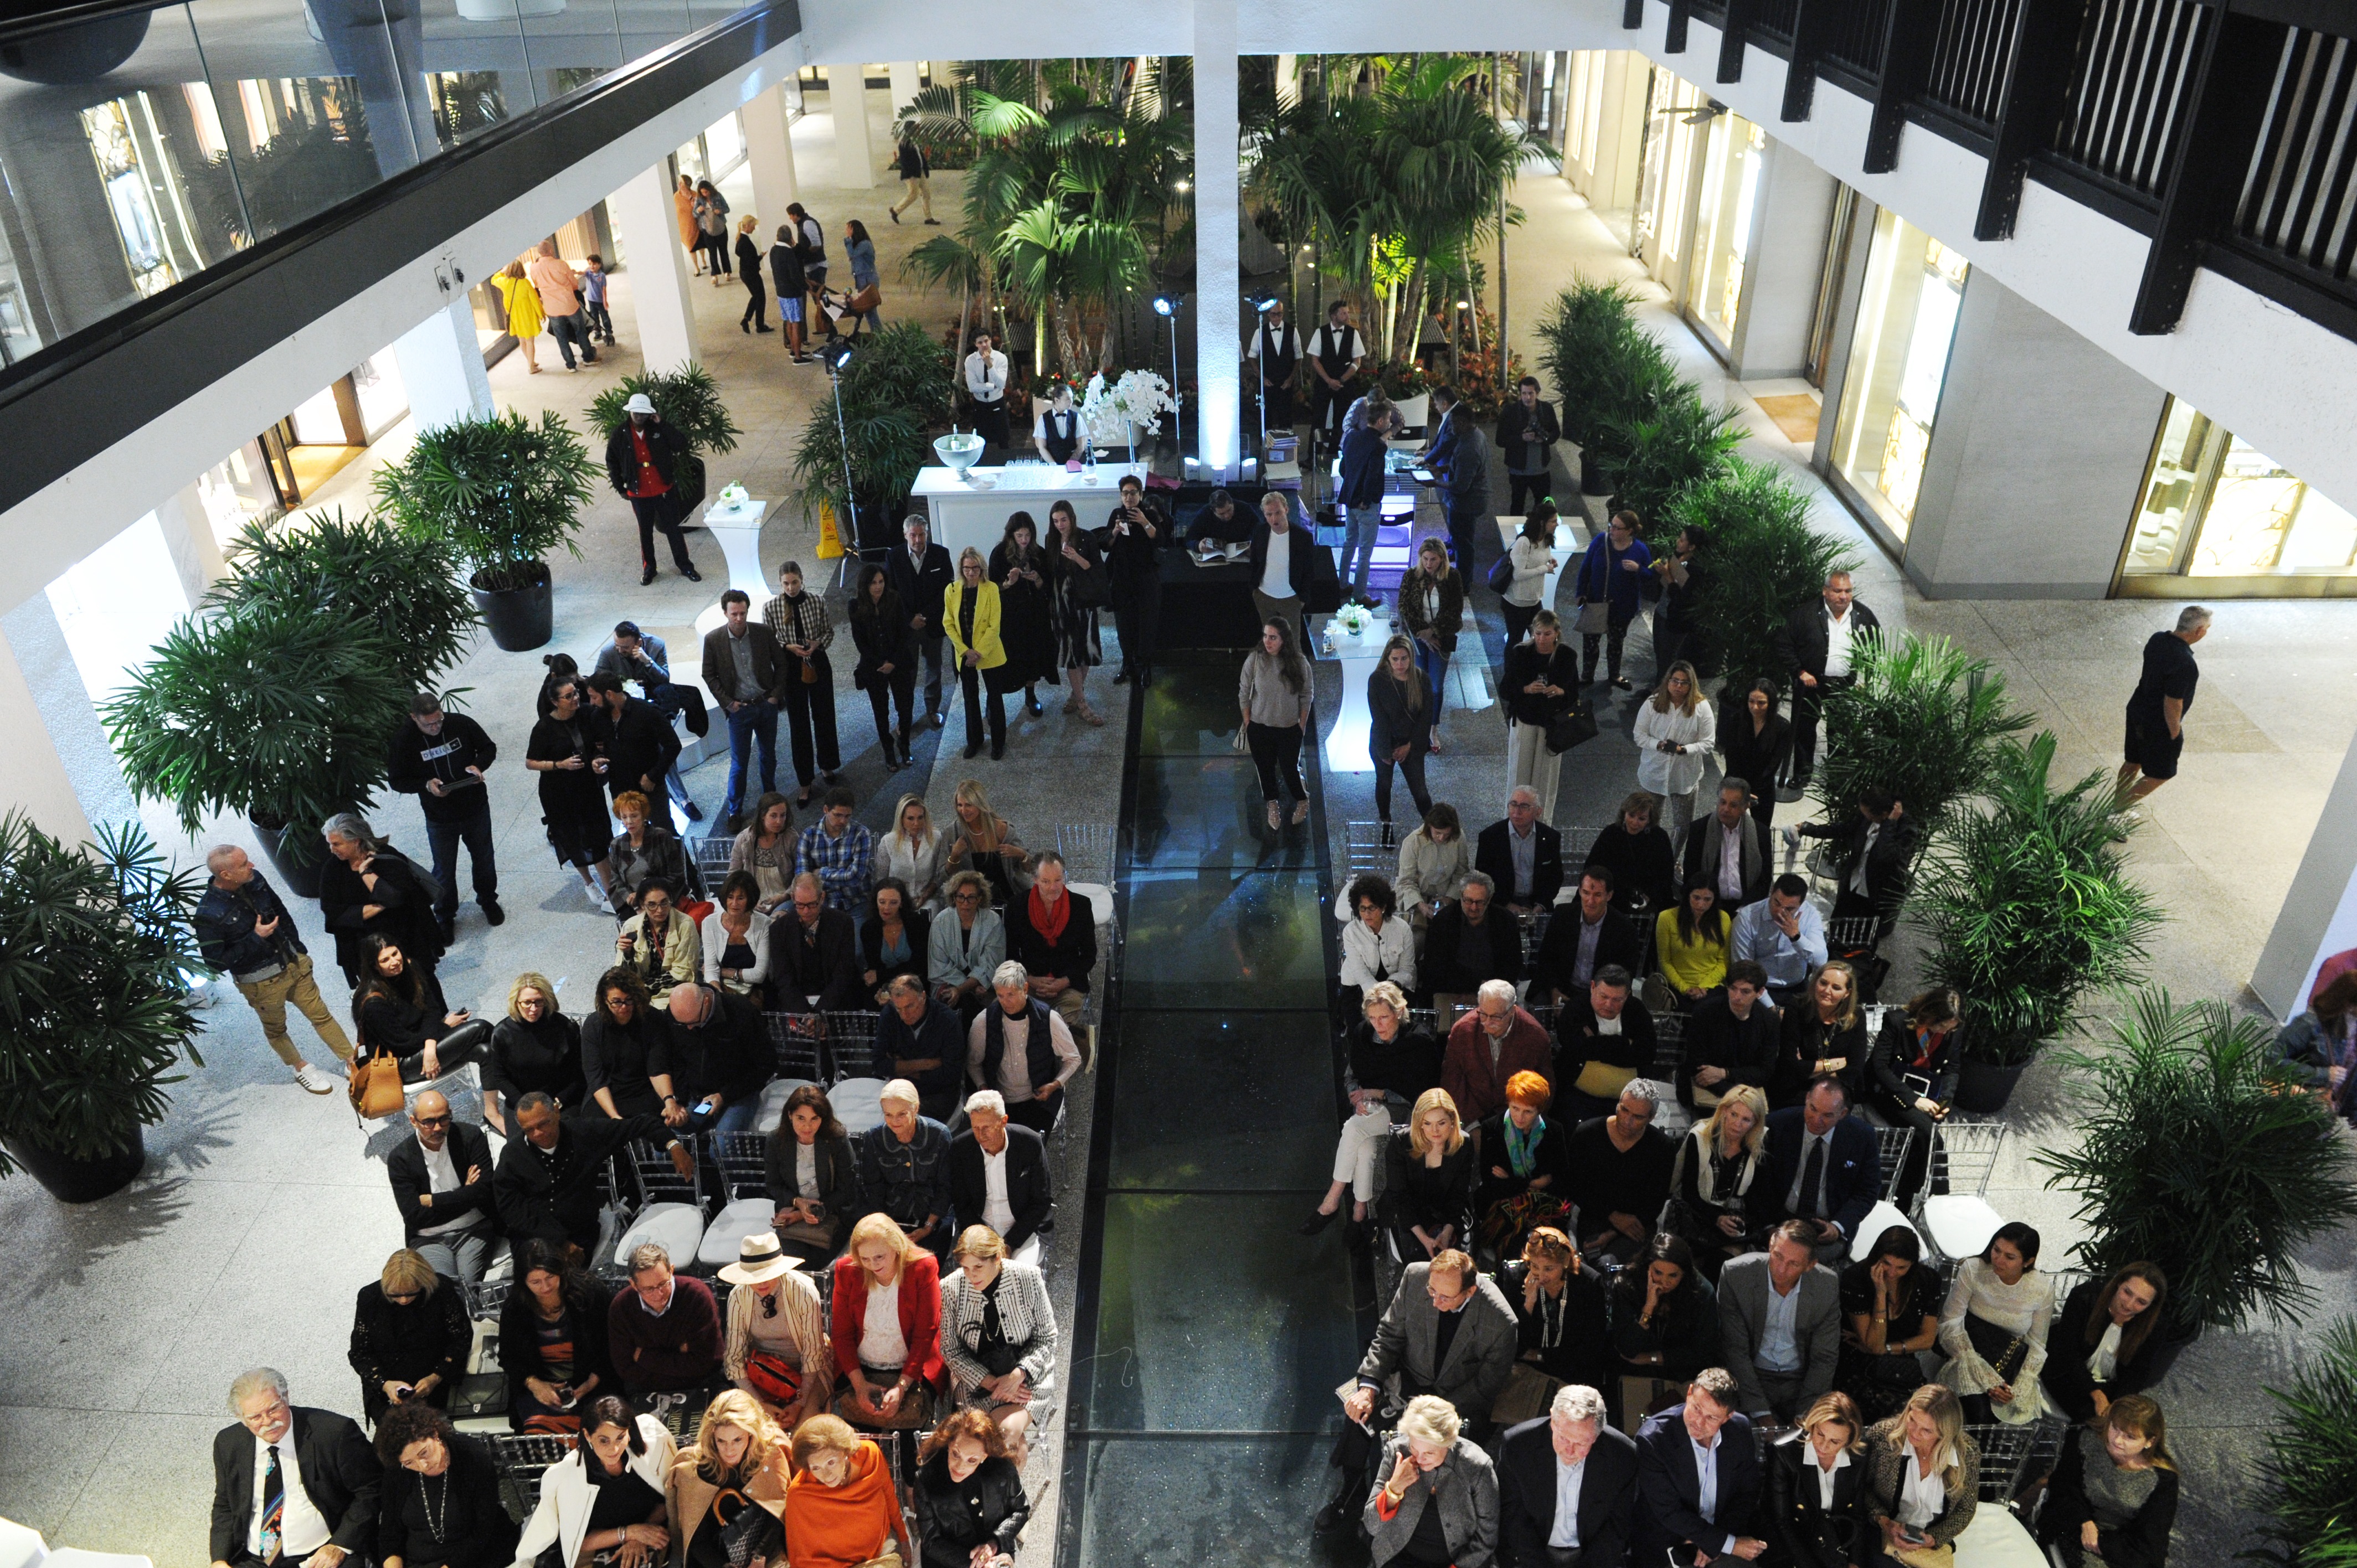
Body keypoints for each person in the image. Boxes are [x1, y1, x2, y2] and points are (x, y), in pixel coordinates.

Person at [1320, 1251, 1515, 1531]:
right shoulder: (1415, 1276)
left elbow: (1485, 1387)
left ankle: (1404, 1517)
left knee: (1429, 1447)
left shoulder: (1501, 1323)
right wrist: (1368, 1387)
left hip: (1456, 1398)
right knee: (1361, 1416)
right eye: (1432, 1291)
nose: (1435, 1302)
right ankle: (1352, 1490)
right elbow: (1389, 1335)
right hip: (1411, 1377)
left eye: (1445, 1297)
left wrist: (1432, 1411)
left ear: (1470, 1291)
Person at [195, 844, 352, 1094]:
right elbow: (215, 963)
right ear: (225, 875)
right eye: (244, 864)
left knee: (321, 1014)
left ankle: (351, 1061)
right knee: (276, 1029)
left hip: (292, 964)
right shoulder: (209, 914)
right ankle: (300, 1067)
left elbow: (280, 911)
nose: (252, 866)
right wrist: (255, 938)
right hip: (261, 984)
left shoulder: (255, 880)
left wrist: (298, 950)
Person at [208, 1368, 381, 1568]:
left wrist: (340, 1546)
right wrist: (219, 1560)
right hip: (253, 1559)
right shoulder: (228, 1443)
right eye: (255, 1417)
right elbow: (225, 1504)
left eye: (273, 1409)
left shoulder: (334, 1432)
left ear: (286, 1397)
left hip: (322, 1554)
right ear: (242, 1419)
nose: (268, 1422)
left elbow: (371, 1490)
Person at [1306, 982, 1440, 1236]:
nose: (1379, 1024)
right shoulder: (1363, 1034)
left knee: (1354, 1129)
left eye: (1385, 1017)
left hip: (1407, 1110)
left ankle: (1331, 1200)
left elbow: (1424, 1091)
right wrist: (1357, 1098)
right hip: (1369, 1109)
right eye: (1373, 1018)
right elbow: (1351, 1076)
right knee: (1365, 1151)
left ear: (1399, 1012)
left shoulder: (1418, 1041)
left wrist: (1379, 1094)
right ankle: (1359, 1215)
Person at [492, 1091, 689, 1252]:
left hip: (579, 1230)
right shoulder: (512, 1154)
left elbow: (642, 1124)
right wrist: (559, 1241)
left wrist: (673, 1145)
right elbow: (510, 1206)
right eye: (529, 1130)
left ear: (556, 1112)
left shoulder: (583, 1132)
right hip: (533, 1234)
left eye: (544, 1124)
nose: (538, 1134)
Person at [510, 1396, 676, 1568]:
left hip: (653, 1533)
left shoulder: (650, 1451)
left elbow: (667, 1500)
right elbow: (574, 1541)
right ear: (588, 1435)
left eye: (620, 1437)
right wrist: (629, 1533)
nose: (614, 1449)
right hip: (597, 1547)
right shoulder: (568, 1478)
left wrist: (643, 1535)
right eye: (604, 1440)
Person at [940, 1225, 1058, 1464]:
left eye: (978, 1267)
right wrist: (991, 1382)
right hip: (977, 1383)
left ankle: (990, 1499)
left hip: (1028, 1379)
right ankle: (1005, 1500)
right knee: (1004, 1443)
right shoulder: (951, 1288)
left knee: (1002, 1434)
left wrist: (1017, 1376)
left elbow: (1048, 1337)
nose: (971, 1276)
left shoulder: (1028, 1278)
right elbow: (950, 1350)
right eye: (965, 1268)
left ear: (997, 1258)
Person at [386, 692, 500, 940]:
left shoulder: (461, 723)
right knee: (444, 869)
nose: (436, 727)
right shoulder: (404, 741)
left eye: (439, 720)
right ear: (414, 718)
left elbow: (489, 748)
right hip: (440, 817)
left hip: (475, 807)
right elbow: (397, 780)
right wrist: (426, 785)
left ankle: (488, 900)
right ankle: (445, 915)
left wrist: (478, 765)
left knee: (484, 858)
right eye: (429, 724)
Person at [1495, 1383, 1639, 1567]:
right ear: (1553, 1422)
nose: (1569, 1451)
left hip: (1593, 1557)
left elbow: (1617, 1526)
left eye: (1581, 1443)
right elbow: (1513, 1517)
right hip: (1531, 1554)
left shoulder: (1622, 1455)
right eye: (1563, 1438)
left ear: (1597, 1435)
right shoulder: (1518, 1444)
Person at [830, 1211, 946, 1435]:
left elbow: (925, 1335)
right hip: (861, 1368)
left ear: (897, 1247)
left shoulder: (923, 1268)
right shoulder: (848, 1270)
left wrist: (901, 1389)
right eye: (865, 1259)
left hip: (913, 1367)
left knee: (907, 1446)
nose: (872, 1265)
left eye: (879, 1257)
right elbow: (842, 1334)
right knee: (861, 1447)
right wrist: (860, 1386)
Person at [1632, 1369, 1766, 1564]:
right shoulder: (1654, 1440)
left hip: (1724, 1532)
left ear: (1728, 1417)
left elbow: (1747, 1492)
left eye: (1712, 1418)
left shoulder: (1739, 1429)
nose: (1699, 1422)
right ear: (1689, 1392)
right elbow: (1669, 1513)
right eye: (1696, 1408)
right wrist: (1725, 1544)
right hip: (1671, 1541)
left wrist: (1715, 1543)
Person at [1717, 1221, 1842, 1425]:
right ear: (1770, 1247)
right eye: (1778, 1256)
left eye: (1793, 1264)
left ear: (1810, 1265)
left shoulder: (1826, 1286)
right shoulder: (1737, 1275)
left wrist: (1805, 1415)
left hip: (1800, 1382)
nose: (1781, 1269)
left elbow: (1824, 1358)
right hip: (1749, 1377)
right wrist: (1761, 1413)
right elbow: (1735, 1351)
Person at [2037, 1394, 2179, 1568]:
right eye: (2115, 1428)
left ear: (2150, 1441)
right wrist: (2085, 1522)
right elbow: (2062, 1487)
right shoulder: (2086, 1440)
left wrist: (2102, 1542)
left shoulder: (2163, 1480)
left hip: (2121, 1551)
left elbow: (2151, 1540)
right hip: (2072, 1527)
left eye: (2130, 1437)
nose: (2117, 1440)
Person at [1936, 1220, 2054, 1427]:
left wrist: (2021, 1384)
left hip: (2007, 1362)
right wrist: (1985, 1378)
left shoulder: (2041, 1289)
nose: (1998, 1260)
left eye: (2010, 1257)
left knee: (2007, 1409)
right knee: (1979, 1412)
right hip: (1967, 1352)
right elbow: (1951, 1321)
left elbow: (2037, 1343)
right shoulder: (1974, 1269)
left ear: (2028, 1261)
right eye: (1996, 1250)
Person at [1363, 1395, 1503, 1567]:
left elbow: (1486, 1539)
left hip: (1456, 1562)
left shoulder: (1478, 1467)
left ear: (1448, 1443)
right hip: (1399, 1556)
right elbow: (1371, 1525)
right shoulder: (1397, 1452)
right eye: (1414, 1448)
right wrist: (1394, 1488)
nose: (1420, 1459)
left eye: (1429, 1453)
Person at [1774, 570, 1881, 795]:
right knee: (1804, 730)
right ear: (1825, 591)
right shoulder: (1806, 615)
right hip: (1810, 684)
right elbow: (1784, 644)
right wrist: (1800, 671)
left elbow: (1875, 647)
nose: (1844, 596)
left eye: (1848, 591)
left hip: (1844, 685)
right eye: (1838, 591)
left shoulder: (1863, 616)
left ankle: (1836, 780)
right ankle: (1802, 774)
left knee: (1840, 731)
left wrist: (1865, 679)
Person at [373, 1403, 516, 1568]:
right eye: (409, 1462)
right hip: (418, 1559)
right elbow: (390, 1532)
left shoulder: (473, 1457)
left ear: (435, 1434)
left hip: (472, 1556)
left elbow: (483, 1530)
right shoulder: (397, 1471)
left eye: (424, 1453)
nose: (423, 1466)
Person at [525, 675, 622, 911]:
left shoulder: (586, 714)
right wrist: (560, 765)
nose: (576, 699)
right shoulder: (544, 728)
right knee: (572, 837)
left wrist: (597, 760)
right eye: (569, 697)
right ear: (556, 702)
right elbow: (531, 762)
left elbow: (595, 747)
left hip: (588, 785)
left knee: (599, 835)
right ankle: (590, 883)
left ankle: (611, 892)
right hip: (559, 792)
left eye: (576, 694)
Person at [498, 1239, 615, 1432]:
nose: (545, 1287)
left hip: (593, 1385)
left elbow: (611, 1344)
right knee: (540, 1432)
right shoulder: (516, 1308)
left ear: (562, 1271)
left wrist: (589, 1384)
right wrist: (535, 1385)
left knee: (600, 1432)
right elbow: (509, 1357)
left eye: (550, 1277)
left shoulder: (590, 1293)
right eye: (535, 1282)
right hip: (542, 1390)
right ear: (524, 1282)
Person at [1760, 1075, 1881, 1260]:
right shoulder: (1777, 1125)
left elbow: (1867, 1191)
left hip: (1826, 1228)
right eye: (1813, 1109)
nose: (1817, 1120)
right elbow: (1760, 1181)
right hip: (1781, 1220)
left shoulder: (1862, 1137)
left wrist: (1838, 1226)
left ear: (1842, 1114)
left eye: (1827, 1115)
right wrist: (1768, 1226)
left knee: (1810, 1267)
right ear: (1807, 1099)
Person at [1864, 986, 1963, 1210]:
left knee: (1921, 1137)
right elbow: (1879, 1067)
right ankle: (1937, 1194)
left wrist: (1944, 1102)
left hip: (1927, 1091)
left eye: (1950, 1028)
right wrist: (1913, 1100)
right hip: (1891, 1090)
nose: (1944, 1032)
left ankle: (1906, 1194)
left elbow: (1953, 1070)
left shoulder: (1953, 1032)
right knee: (1929, 1134)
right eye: (1941, 1026)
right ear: (1929, 1015)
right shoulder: (1897, 1021)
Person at [717, 1235, 831, 1429]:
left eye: (768, 1274)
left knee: (803, 1434)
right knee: (759, 1435)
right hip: (759, 1371)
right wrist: (759, 1404)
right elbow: (734, 1359)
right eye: (755, 1276)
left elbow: (812, 1355)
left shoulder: (803, 1292)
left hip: (807, 1373)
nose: (762, 1282)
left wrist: (799, 1404)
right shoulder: (738, 1296)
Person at [1607, 1236, 1722, 1427]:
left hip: (1681, 1375)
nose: (1664, 1282)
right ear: (1647, 1266)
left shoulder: (1701, 1292)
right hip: (1634, 1375)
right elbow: (1628, 1349)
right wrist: (1649, 1308)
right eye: (1658, 1273)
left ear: (1684, 1273)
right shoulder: (1627, 1284)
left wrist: (1651, 1358)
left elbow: (1704, 1353)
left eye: (1673, 1276)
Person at [668, 1389, 790, 1568]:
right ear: (712, 1438)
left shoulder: (769, 1454)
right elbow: (696, 1539)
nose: (729, 1450)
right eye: (721, 1441)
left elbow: (777, 1516)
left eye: (737, 1440)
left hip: (765, 1552)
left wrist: (759, 1558)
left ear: (751, 1434)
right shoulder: (694, 1470)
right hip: (713, 1559)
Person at [1836, 1226, 1942, 1427]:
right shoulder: (1856, 1278)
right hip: (1858, 1366)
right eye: (1887, 1263)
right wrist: (1880, 1294)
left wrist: (1887, 1349)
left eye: (1901, 1267)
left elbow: (1928, 1339)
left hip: (1901, 1367)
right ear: (1877, 1257)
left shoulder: (1927, 1280)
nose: (1892, 1273)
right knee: (1904, 1415)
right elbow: (1874, 1344)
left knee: (1933, 1414)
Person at [1861, 1384, 1980, 1565]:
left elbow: (1966, 1509)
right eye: (1912, 1420)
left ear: (1945, 1433)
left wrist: (1934, 1538)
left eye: (1927, 1430)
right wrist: (1884, 1521)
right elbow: (1861, 1488)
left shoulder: (1967, 1453)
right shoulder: (1883, 1438)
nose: (1914, 1432)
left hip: (1930, 1544)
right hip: (1880, 1533)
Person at [319, 813, 442, 987]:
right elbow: (334, 913)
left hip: (406, 938)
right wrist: (381, 905)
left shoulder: (386, 857)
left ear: (356, 841)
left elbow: (396, 898)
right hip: (366, 948)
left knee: (424, 982)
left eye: (337, 844)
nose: (332, 849)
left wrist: (365, 872)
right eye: (330, 844)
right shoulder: (332, 869)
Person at [348, 1249, 469, 1423]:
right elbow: (360, 1353)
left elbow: (461, 1339)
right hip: (387, 1389)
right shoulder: (370, 1298)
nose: (404, 1300)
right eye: (396, 1295)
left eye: (411, 1293)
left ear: (424, 1283)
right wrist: (384, 1384)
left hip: (435, 1383)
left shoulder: (440, 1291)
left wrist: (436, 1377)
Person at [387, 1089, 495, 1281]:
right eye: (429, 1122)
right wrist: (467, 1194)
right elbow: (415, 1217)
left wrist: (434, 1201)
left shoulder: (470, 1137)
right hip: (428, 1239)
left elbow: (485, 1191)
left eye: (444, 1119)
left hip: (474, 1228)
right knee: (445, 1289)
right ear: (413, 1121)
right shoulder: (400, 1159)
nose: (438, 1128)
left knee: (467, 1287)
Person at [2044, 1263, 2171, 1426]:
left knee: (2128, 1421)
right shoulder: (2084, 1297)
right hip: (2068, 1371)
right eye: (2127, 1292)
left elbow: (2138, 1371)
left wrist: (2118, 1403)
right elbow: (2068, 1353)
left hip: (2111, 1383)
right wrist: (2097, 1395)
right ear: (2119, 1283)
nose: (2129, 1305)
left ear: (2151, 1305)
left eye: (2141, 1302)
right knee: (2091, 1416)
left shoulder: (2156, 1326)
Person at [1664, 1084, 1770, 1278]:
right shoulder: (1701, 1136)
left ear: (1755, 1123)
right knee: (1688, 1269)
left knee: (1723, 1267)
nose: (1737, 1125)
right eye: (1734, 1115)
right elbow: (1689, 1192)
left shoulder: (1759, 1143)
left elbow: (1758, 1196)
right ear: (1723, 1111)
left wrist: (1739, 1221)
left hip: (1735, 1215)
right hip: (1697, 1212)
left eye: (1746, 1120)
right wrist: (1717, 1218)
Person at [1566, 1083, 1676, 1269]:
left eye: (1638, 1117)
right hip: (1595, 1216)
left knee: (1612, 1266)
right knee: (1595, 1267)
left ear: (1651, 1118)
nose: (1627, 1120)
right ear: (1618, 1105)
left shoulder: (1662, 1147)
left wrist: (1614, 1232)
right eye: (1624, 1110)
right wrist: (1613, 1216)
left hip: (1638, 1225)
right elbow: (1576, 1187)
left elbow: (1655, 1201)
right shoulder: (1587, 1134)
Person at [353, 936, 488, 1087]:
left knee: (485, 1050)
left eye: (395, 954)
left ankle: (491, 1109)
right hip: (401, 1063)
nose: (395, 962)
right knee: (480, 1028)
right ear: (375, 967)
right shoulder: (373, 1003)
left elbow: (431, 1008)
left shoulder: (410, 968)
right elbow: (404, 1044)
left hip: (423, 1044)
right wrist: (445, 1028)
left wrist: (430, 1047)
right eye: (385, 960)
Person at [966, 961, 1082, 1137]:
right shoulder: (984, 1021)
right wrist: (983, 1086)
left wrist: (1055, 1084)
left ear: (1025, 989)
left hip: (1039, 1101)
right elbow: (973, 1063)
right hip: (1000, 1103)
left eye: (1011, 994)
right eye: (1001, 995)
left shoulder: (1049, 1018)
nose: (1006, 1002)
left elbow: (1073, 1058)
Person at [2119, 605, 2216, 814]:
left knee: (2133, 760)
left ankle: (2116, 802)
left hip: (2137, 709)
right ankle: (2116, 809)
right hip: (2157, 724)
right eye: (2207, 628)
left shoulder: (2157, 640)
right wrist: (2175, 732)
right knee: (2161, 773)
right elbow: (2173, 702)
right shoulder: (2185, 663)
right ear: (2199, 631)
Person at [702, 588, 788, 826]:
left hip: (765, 704)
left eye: (743, 613)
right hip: (739, 710)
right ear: (725, 613)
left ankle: (770, 801)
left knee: (768, 756)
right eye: (734, 614)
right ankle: (734, 811)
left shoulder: (763, 633)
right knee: (739, 763)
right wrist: (729, 703)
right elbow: (709, 675)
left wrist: (775, 696)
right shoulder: (714, 640)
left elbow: (781, 665)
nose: (739, 618)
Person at [1495, 1226, 1609, 1402]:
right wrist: (1529, 1302)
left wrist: (1540, 1355)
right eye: (1534, 1266)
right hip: (1528, 1373)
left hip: (1575, 1375)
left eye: (1549, 1269)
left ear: (1565, 1263)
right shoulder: (1515, 1279)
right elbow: (1512, 1346)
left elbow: (1591, 1347)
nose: (1540, 1275)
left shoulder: (1588, 1283)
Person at [784, 1415, 912, 1568]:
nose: (826, 1475)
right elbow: (800, 1555)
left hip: (881, 1549)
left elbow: (889, 1496)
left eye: (831, 1462)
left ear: (845, 1451)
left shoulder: (870, 1455)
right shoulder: (799, 1495)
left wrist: (904, 1538)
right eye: (816, 1468)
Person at [910, 1409, 1029, 1568]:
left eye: (972, 1460)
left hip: (994, 1553)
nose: (960, 1467)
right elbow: (931, 1542)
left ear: (984, 1457)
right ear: (949, 1444)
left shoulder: (1003, 1471)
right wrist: (977, 1564)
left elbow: (1020, 1510)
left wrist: (995, 1543)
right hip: (946, 1560)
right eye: (956, 1454)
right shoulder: (927, 1479)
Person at [608, 1241, 724, 1402]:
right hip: (644, 1388)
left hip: (700, 1383)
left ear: (672, 1271)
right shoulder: (621, 1307)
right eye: (648, 1289)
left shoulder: (697, 1296)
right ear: (633, 1285)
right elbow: (625, 1368)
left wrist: (643, 1357)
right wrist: (679, 1354)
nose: (659, 1294)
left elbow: (706, 1362)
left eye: (663, 1283)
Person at [1763, 1391, 1869, 1568]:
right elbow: (1782, 1522)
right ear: (1812, 1425)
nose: (1823, 1446)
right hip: (1795, 1543)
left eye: (1835, 1442)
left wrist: (1854, 1563)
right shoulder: (1784, 1453)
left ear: (1849, 1441)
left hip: (1837, 1540)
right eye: (1820, 1434)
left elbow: (1857, 1514)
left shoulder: (1859, 1456)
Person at [604, 393, 701, 585]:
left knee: (674, 529)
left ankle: (685, 566)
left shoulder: (658, 429)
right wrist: (620, 487)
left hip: (663, 488)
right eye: (636, 413)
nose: (639, 417)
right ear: (630, 412)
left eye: (643, 413)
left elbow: (680, 444)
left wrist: (662, 424)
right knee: (645, 532)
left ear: (650, 414)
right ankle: (650, 569)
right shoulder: (620, 434)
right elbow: (612, 461)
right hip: (639, 492)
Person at [767, 561, 842, 799]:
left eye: (795, 582)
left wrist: (817, 644)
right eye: (786, 584)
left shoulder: (817, 601)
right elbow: (770, 642)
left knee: (824, 715)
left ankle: (827, 764)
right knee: (798, 724)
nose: (791, 588)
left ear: (802, 580)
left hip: (817, 661)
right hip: (791, 667)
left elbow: (829, 632)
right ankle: (805, 782)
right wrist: (789, 647)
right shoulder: (772, 607)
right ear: (781, 584)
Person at [1477, 1075, 1574, 1260]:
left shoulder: (1554, 1130)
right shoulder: (1492, 1129)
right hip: (1503, 1208)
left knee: (1549, 1249)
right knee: (1515, 1247)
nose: (1519, 1117)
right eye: (1515, 1108)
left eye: (1528, 1112)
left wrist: (1510, 1180)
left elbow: (1562, 1182)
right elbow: (1492, 1184)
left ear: (1539, 1110)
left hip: (1546, 1207)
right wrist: (1535, 1184)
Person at [949, 1090, 1054, 1258]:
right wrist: (987, 1240)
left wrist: (1010, 1243)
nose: (981, 1135)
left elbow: (1041, 1200)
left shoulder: (1029, 1143)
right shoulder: (961, 1149)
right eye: (975, 1128)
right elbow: (962, 1204)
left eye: (987, 1128)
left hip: (1022, 1231)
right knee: (977, 1279)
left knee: (1019, 1279)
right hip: (980, 1230)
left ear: (1004, 1121)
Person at [1005, 850, 1096, 1045]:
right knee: (1020, 1027)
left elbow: (1089, 955)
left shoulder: (1081, 906)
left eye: (1058, 880)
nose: (1053, 888)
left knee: (1060, 1031)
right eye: (1046, 881)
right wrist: (1031, 980)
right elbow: (1010, 954)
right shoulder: (1017, 906)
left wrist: (1064, 981)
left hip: (1068, 983)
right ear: (1035, 879)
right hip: (1030, 981)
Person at [855, 1080, 954, 1257]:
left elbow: (946, 1186)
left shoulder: (939, 1135)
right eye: (888, 1115)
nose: (894, 1121)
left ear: (915, 1108)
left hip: (933, 1218)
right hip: (890, 1219)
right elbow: (872, 1188)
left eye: (901, 1114)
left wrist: (928, 1227)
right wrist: (888, 1229)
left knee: (926, 1265)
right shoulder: (874, 1138)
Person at [1382, 1089, 1480, 1263]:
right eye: (1427, 1124)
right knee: (1420, 1262)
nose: (1434, 1131)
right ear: (1419, 1123)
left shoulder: (1464, 1144)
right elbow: (1400, 1196)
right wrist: (1424, 1239)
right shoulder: (1400, 1143)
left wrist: (1448, 1232)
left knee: (1459, 1263)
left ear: (1452, 1121)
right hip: (1410, 1215)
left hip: (1447, 1212)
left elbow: (1459, 1194)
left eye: (1441, 1123)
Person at [1502, 612, 1583, 819]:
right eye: (1537, 633)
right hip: (1526, 720)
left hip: (1552, 724)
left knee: (1546, 780)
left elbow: (1574, 693)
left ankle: (1543, 823)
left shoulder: (1566, 656)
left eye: (1547, 634)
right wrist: (1526, 689)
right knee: (1519, 776)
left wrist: (1560, 691)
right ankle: (1513, 819)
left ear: (1556, 633)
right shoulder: (1521, 653)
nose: (1541, 639)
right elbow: (1506, 689)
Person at [663, 979, 771, 1134]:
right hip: (702, 1100)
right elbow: (677, 1060)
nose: (689, 1028)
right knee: (669, 1142)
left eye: (693, 1022)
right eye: (683, 1024)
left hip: (737, 1094)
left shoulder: (741, 1011)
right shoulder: (677, 1014)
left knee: (723, 1148)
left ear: (706, 1002)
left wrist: (724, 1096)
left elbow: (767, 1064)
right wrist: (678, 1101)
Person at [766, 1084, 859, 1263]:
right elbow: (773, 1184)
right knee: (790, 1263)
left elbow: (847, 1189)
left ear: (823, 1119)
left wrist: (805, 1213)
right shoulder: (776, 1141)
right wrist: (797, 1202)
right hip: (791, 1212)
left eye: (814, 1119)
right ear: (790, 1115)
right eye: (801, 1118)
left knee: (814, 1261)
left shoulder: (836, 1139)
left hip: (833, 1211)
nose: (807, 1126)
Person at [1442, 979, 1554, 1128]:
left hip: (1518, 1119)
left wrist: (1523, 1122)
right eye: (1483, 1014)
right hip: (1473, 1118)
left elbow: (1544, 1088)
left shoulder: (1535, 1036)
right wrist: (1471, 1124)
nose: (1488, 1022)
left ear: (1512, 1010)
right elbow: (1453, 1082)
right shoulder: (1463, 1031)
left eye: (1496, 1017)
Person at [1531, 866, 1643, 1010]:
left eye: (1597, 895)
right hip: (1562, 987)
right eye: (1586, 893)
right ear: (1579, 891)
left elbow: (1625, 973)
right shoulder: (1563, 915)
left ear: (1609, 896)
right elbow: (1546, 958)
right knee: (1538, 1008)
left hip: (1602, 993)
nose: (1590, 901)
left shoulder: (1624, 929)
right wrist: (1554, 991)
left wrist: (1598, 997)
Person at [1554, 964, 1656, 1123]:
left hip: (1629, 1102)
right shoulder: (1575, 1009)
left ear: (1627, 995)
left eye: (1617, 1000)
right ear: (1593, 987)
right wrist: (1625, 1045)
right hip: (1579, 1097)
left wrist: (1595, 1043)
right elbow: (1574, 1048)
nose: (1609, 1005)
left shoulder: (1637, 1010)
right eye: (1604, 997)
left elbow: (1648, 1053)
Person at [1241, 616, 1315, 831]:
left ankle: (1302, 800)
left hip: (1288, 728)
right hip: (1259, 727)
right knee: (1265, 770)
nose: (1267, 641)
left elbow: (1307, 694)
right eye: (1265, 636)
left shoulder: (1299, 662)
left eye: (1273, 637)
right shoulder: (1255, 659)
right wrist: (1248, 723)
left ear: (1284, 640)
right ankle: (1272, 804)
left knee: (1289, 769)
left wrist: (1301, 725)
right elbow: (1244, 692)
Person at [1632, 662, 1714, 852]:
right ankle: (1648, 855)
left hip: (1684, 776)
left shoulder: (1702, 707)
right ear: (1667, 681)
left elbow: (1708, 743)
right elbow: (1639, 735)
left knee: (1683, 826)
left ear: (1691, 685)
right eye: (1675, 681)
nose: (1678, 686)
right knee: (1648, 821)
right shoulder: (1653, 703)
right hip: (1654, 773)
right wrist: (1658, 745)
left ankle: (1673, 858)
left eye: (1684, 683)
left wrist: (1684, 750)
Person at [1680, 961, 1779, 1116]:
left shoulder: (1769, 1021)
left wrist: (1724, 1073)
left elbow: (1765, 1071)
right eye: (1733, 989)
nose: (1736, 997)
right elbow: (1697, 1065)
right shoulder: (1705, 1012)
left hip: (1744, 1092)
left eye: (1745, 992)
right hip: (1708, 1091)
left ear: (1760, 992)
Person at [581, 966, 678, 1120]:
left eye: (629, 1000)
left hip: (643, 1089)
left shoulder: (652, 1019)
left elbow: (658, 1067)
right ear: (605, 1001)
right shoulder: (593, 1026)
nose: (624, 1007)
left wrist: (669, 1100)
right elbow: (596, 1078)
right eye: (617, 1002)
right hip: (607, 1092)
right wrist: (615, 1117)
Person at [888, 515, 956, 730]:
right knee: (906, 673)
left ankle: (932, 709)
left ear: (927, 534)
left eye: (922, 534)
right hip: (906, 627)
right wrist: (910, 619)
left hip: (932, 624)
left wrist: (924, 617)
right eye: (913, 535)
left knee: (934, 668)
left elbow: (946, 590)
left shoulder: (941, 554)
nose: (918, 540)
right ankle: (905, 716)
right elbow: (892, 593)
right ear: (905, 535)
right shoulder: (894, 557)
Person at [1571, 510, 1651, 692]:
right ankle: (1587, 675)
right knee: (1590, 643)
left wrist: (1639, 569)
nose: (1612, 529)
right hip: (1596, 603)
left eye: (1617, 527)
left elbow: (1650, 577)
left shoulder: (1640, 550)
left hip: (1623, 608)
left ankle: (1614, 675)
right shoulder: (1601, 541)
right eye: (1611, 525)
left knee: (1616, 642)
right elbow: (1586, 568)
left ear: (1629, 531)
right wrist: (1581, 592)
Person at [1044, 498, 1108, 724]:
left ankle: (1075, 693)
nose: (1060, 525)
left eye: (1063, 520)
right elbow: (1050, 574)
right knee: (1071, 653)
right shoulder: (1050, 541)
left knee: (1087, 651)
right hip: (1062, 606)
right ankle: (1083, 704)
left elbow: (1097, 569)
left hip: (1084, 601)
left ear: (1072, 518)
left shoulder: (1086, 538)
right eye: (1055, 521)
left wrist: (1076, 557)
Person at [944, 545, 1011, 761]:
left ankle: (998, 743)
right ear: (961, 569)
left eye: (975, 568)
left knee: (995, 697)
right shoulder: (952, 590)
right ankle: (974, 741)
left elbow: (995, 626)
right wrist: (965, 651)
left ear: (982, 569)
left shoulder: (991, 589)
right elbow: (948, 624)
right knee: (969, 698)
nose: (971, 573)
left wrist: (978, 652)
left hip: (988, 653)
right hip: (964, 654)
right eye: (966, 568)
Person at [1398, 538, 1465, 752]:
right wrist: (1424, 635)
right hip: (1418, 638)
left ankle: (1432, 729)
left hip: (1441, 638)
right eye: (1425, 559)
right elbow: (1405, 606)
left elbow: (1455, 610)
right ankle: (1417, 724)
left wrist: (1434, 631)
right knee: (1417, 684)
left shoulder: (1452, 577)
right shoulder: (1411, 576)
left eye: (1433, 559)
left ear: (1442, 559)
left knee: (1436, 686)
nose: (1428, 564)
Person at [1772, 960, 1867, 1109]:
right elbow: (1789, 1065)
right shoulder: (1797, 1008)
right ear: (1815, 982)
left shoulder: (1857, 1016)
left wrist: (1808, 1068)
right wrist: (1833, 1065)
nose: (1827, 991)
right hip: (1795, 1090)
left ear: (1847, 993)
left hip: (1836, 1090)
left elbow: (1855, 1068)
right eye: (1823, 983)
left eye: (1836, 988)